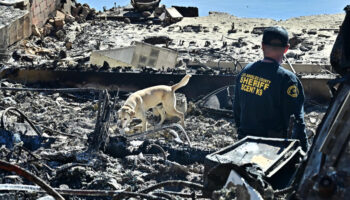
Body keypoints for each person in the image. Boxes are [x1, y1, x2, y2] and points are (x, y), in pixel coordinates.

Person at [233, 26, 309, 152]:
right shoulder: (287, 79)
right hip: (272, 149)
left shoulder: (245, 72)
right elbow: (297, 122)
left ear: (262, 46)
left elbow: (237, 110)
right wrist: (305, 153)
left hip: (245, 144)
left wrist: (242, 134)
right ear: (286, 49)